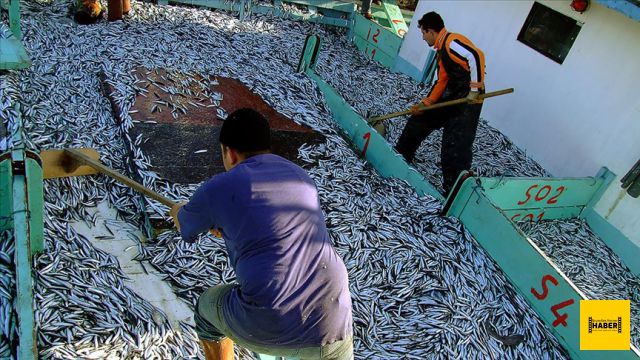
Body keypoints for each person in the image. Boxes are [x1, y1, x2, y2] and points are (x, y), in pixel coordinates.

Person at [170, 108, 354, 360]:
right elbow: (278, 229)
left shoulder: (218, 188)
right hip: (334, 317)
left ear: (230, 153)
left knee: (206, 310)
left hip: (271, 322)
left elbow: (186, 226)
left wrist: (177, 210)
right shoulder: (301, 177)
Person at [395, 11, 485, 196]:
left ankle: (454, 192)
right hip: (452, 96)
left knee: (454, 147)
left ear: (431, 31)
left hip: (468, 102)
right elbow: (442, 81)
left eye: (423, 33)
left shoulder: (452, 43)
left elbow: (477, 56)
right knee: (418, 120)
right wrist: (425, 104)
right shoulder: (441, 51)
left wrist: (474, 90)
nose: (422, 37)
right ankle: (400, 157)